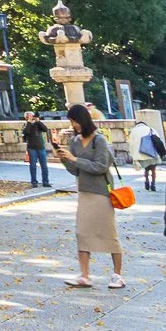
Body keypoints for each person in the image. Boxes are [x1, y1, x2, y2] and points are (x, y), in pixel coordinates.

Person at [54, 102, 125, 288]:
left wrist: (75, 159)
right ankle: (84, 275)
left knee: (109, 234)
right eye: (71, 122)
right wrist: (65, 160)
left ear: (84, 119)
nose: (74, 125)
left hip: (101, 192)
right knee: (82, 233)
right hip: (84, 191)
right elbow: (75, 170)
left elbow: (100, 166)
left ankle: (117, 275)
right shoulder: (75, 142)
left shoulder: (98, 140)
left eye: (75, 121)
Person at [21, 109, 53, 187]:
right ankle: (34, 182)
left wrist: (38, 121)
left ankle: (45, 182)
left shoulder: (37, 124)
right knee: (33, 166)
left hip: (41, 147)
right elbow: (27, 132)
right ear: (26, 117)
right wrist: (29, 122)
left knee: (44, 166)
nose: (31, 117)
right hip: (31, 148)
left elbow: (45, 129)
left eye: (32, 116)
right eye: (29, 116)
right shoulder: (25, 125)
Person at [135, 123, 166, 192]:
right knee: (153, 169)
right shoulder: (151, 130)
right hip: (153, 153)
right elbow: (158, 141)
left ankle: (146, 181)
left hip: (144, 153)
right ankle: (153, 184)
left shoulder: (138, 132)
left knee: (146, 169)